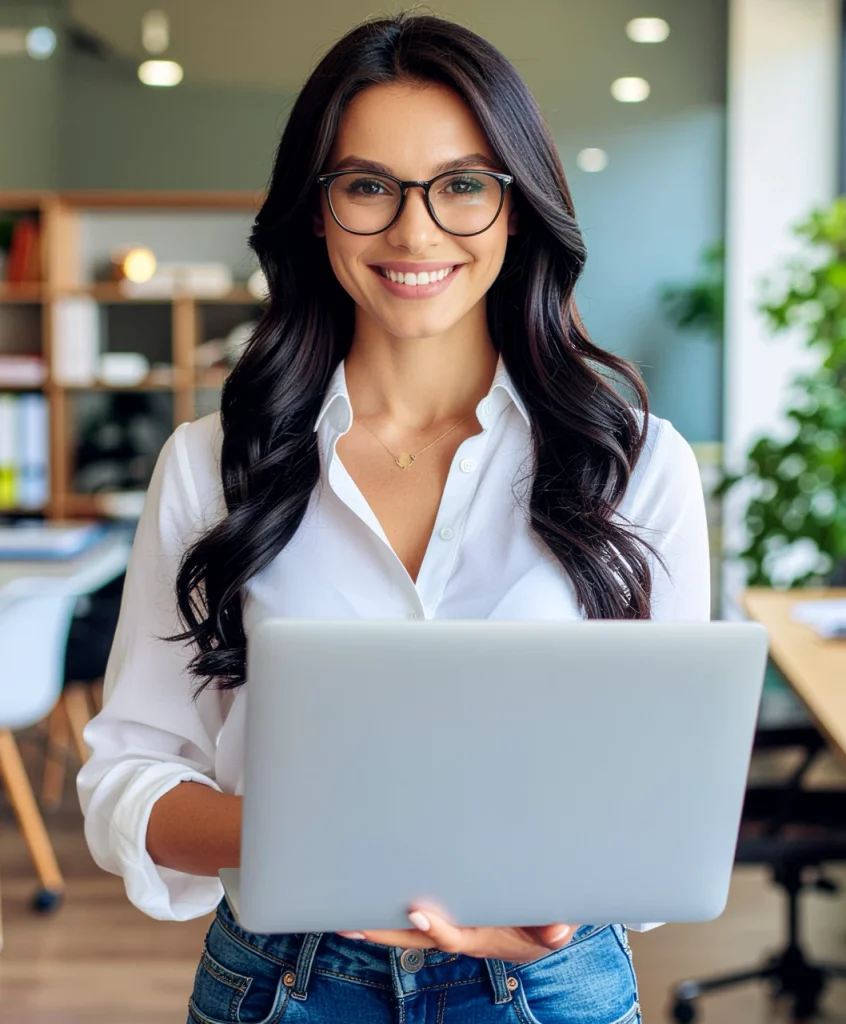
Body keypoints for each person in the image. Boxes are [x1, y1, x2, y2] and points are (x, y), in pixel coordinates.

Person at [78, 12, 710, 1024]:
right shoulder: (212, 463)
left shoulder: (634, 464)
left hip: (546, 979)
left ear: (515, 209)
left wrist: (560, 899)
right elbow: (128, 777)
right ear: (316, 212)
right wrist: (308, 834)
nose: (415, 233)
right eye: (369, 186)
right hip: (285, 981)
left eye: (462, 185)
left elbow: (664, 793)